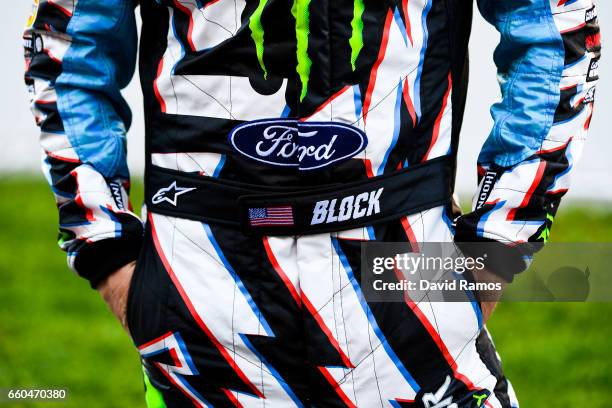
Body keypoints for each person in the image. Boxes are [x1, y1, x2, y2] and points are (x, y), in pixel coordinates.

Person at [23, 0, 600, 406]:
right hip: (204, 280)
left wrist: (498, 245)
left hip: (403, 268)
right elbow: (67, 44)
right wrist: (106, 252)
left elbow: (554, 32)